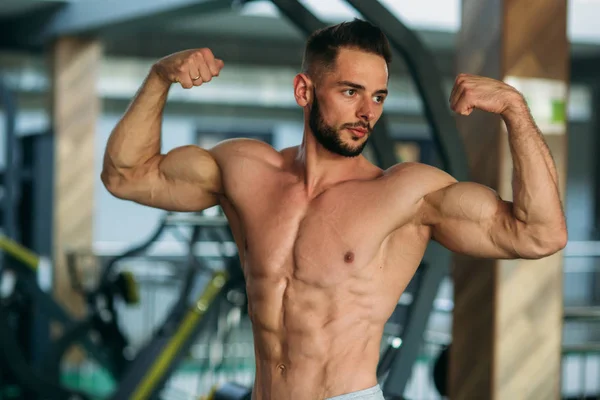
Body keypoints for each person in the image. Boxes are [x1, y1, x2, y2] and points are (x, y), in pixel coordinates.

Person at [101, 19, 567, 400]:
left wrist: (515, 110)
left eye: (378, 96)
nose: (368, 111)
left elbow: (540, 234)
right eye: (351, 92)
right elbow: (126, 176)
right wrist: (159, 78)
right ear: (305, 91)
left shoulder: (406, 193)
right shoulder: (245, 171)